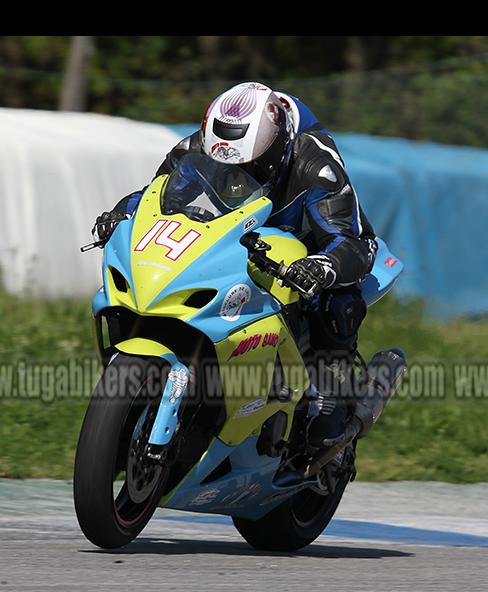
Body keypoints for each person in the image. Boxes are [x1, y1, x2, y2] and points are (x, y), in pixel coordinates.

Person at [93, 82, 379, 447]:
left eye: (250, 167)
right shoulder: (202, 145)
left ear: (276, 149)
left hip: (306, 240)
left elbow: (353, 242)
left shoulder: (315, 162)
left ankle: (330, 400)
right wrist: (122, 212)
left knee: (339, 303)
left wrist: (323, 266)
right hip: (239, 231)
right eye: (222, 164)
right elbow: (157, 196)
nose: (234, 174)